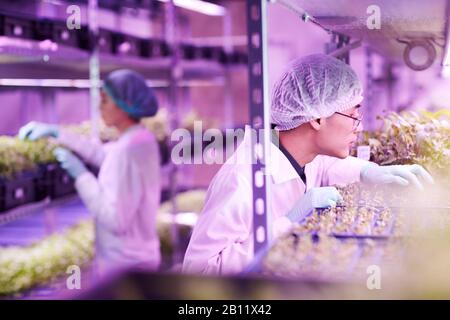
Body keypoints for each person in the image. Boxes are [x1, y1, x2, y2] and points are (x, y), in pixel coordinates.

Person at [183, 54, 434, 275]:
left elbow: (325, 166)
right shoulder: (242, 178)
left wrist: (370, 172)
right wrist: (288, 222)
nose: (358, 128)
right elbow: (200, 272)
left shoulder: (304, 154)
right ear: (317, 118)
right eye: (353, 116)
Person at [19, 69, 162, 274]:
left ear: (125, 106)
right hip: (140, 257)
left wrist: (81, 176)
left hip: (126, 266)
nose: (99, 107)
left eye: (105, 100)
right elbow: (103, 155)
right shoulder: (141, 140)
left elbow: (114, 220)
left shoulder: (126, 150)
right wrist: (57, 133)